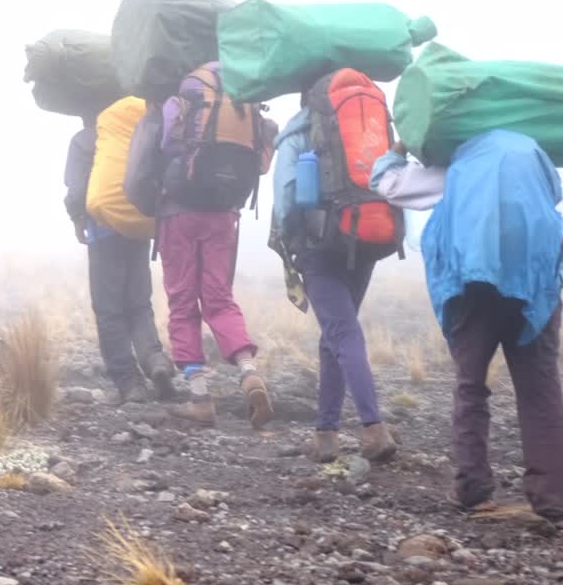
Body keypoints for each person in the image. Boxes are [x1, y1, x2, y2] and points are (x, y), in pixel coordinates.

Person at [372, 130, 563, 522]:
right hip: (532, 285)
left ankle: (474, 490)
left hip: (472, 286)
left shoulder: (458, 162)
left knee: (471, 384)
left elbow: (389, 184)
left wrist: (398, 149)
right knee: (541, 388)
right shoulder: (533, 151)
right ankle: (556, 499)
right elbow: (553, 195)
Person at [272, 98, 396, 463]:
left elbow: (286, 193)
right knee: (335, 336)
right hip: (364, 238)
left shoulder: (297, 130)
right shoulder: (366, 121)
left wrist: (285, 237)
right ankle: (326, 434)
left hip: (319, 245)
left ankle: (373, 428)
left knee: (341, 332)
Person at [156, 65, 274, 428]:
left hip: (180, 213)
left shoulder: (184, 97)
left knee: (182, 301)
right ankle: (249, 372)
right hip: (225, 213)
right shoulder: (247, 100)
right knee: (219, 297)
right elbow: (263, 162)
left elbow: (165, 144)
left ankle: (200, 396)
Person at [65, 119, 175, 403]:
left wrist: (77, 218)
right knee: (139, 303)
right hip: (137, 227)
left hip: (103, 231)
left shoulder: (85, 139)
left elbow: (76, 189)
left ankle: (130, 383)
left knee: (108, 309)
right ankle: (155, 359)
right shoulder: (135, 131)